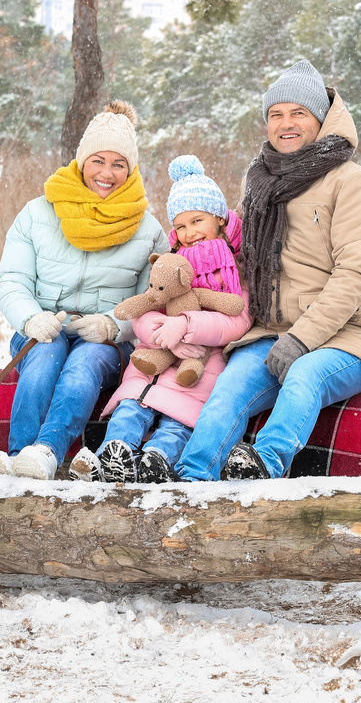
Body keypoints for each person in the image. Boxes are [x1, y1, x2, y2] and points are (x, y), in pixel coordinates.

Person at [174, 59, 361, 481]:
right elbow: (232, 255)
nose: (285, 123)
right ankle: (190, 481)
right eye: (276, 114)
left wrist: (302, 339)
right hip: (268, 332)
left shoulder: (353, 182)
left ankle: (263, 467)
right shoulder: (258, 182)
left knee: (304, 376)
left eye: (298, 113)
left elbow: (355, 277)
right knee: (227, 393)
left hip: (347, 336)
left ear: (321, 120)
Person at [0, 102, 169, 480]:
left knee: (83, 366)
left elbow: (155, 297)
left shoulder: (149, 229)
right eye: (98, 161)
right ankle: (16, 453)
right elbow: (11, 279)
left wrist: (113, 326)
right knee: (44, 358)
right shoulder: (38, 213)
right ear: (81, 161)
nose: (107, 173)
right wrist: (30, 317)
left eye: (119, 164)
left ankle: (46, 451)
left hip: (104, 341)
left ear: (132, 168)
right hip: (44, 326)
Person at [68, 155, 253, 484]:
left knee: (177, 422)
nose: (189, 232)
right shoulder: (170, 261)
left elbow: (236, 320)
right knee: (130, 408)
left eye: (198, 221)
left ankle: (159, 458)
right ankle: (114, 453)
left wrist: (185, 326)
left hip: (198, 369)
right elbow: (146, 305)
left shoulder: (236, 268)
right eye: (181, 225)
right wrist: (158, 332)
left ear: (220, 218)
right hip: (151, 364)